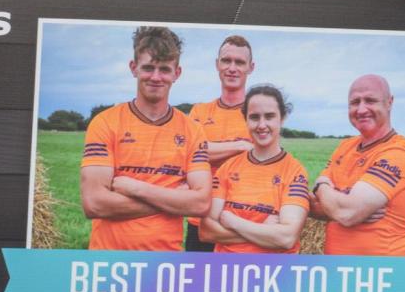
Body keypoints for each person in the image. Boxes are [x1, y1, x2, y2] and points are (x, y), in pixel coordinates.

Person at [79, 26, 212, 250]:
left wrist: (135, 188)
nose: (156, 77)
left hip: (163, 265)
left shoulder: (192, 130)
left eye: (165, 69)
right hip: (108, 260)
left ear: (177, 73)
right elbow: (94, 204)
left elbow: (201, 203)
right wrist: (173, 201)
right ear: (134, 68)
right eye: (148, 68)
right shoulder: (105, 123)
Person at [309, 75, 405, 256]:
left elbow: (347, 212)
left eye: (370, 100)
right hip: (340, 274)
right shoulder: (345, 146)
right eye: (354, 102)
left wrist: (321, 185)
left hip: (381, 275)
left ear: (389, 102)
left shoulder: (397, 153)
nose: (361, 109)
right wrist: (340, 207)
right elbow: (316, 206)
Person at [200, 84, 310, 254]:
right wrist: (262, 231)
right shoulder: (227, 168)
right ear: (246, 120)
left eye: (269, 116)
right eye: (254, 117)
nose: (261, 125)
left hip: (273, 274)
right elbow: (206, 231)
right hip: (227, 272)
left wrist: (233, 222)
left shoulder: (295, 172)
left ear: (282, 118)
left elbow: (286, 238)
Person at [184, 34, 256, 251]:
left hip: (242, 221)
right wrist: (240, 146)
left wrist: (208, 149)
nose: (232, 68)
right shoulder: (199, 111)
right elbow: (187, 154)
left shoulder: (258, 114)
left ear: (250, 67)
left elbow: (261, 161)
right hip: (200, 219)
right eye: (226, 60)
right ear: (217, 64)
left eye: (240, 62)